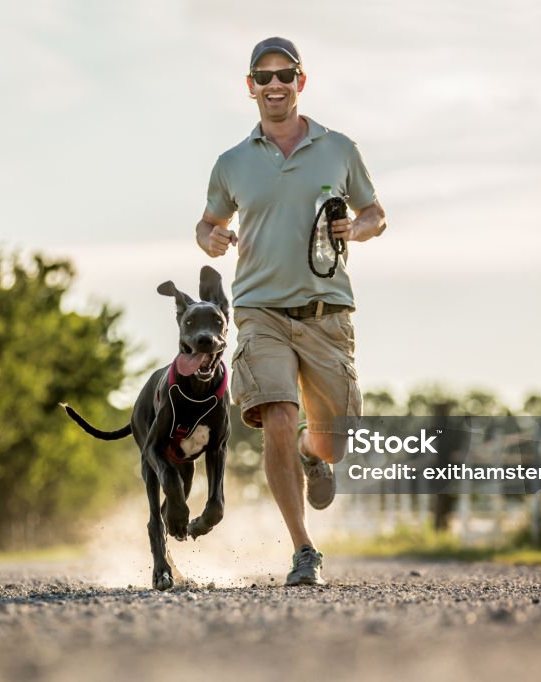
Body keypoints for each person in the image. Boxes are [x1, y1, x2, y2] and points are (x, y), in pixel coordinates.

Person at [196, 37, 387, 585]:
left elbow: (376, 212)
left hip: (328, 311)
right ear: (250, 86)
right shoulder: (231, 163)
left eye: (285, 75)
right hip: (260, 311)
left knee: (332, 437)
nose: (274, 85)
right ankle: (305, 550)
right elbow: (206, 223)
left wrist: (362, 228)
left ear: (301, 82)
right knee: (276, 416)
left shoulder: (339, 149)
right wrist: (211, 239)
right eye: (264, 76)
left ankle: (313, 450)